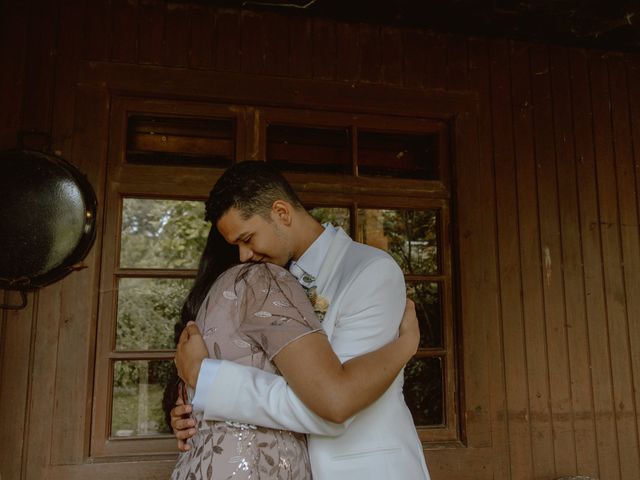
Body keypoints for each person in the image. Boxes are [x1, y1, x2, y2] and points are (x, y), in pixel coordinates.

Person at [172, 161, 431, 480]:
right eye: (236, 245)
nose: (243, 256)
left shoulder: (369, 272)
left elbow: (334, 407)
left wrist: (211, 382)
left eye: (248, 238)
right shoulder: (268, 282)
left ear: (281, 212)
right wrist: (199, 411)